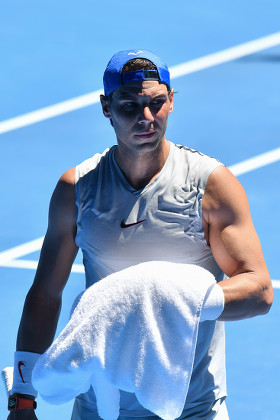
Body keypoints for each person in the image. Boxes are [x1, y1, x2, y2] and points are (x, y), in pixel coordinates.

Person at [7, 49, 273, 420]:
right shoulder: (77, 189)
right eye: (130, 106)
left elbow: (258, 291)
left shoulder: (211, 186)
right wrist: (22, 397)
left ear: (172, 101)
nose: (146, 118)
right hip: (100, 410)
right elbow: (45, 294)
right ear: (106, 108)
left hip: (193, 410)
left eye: (156, 103)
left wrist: (166, 298)